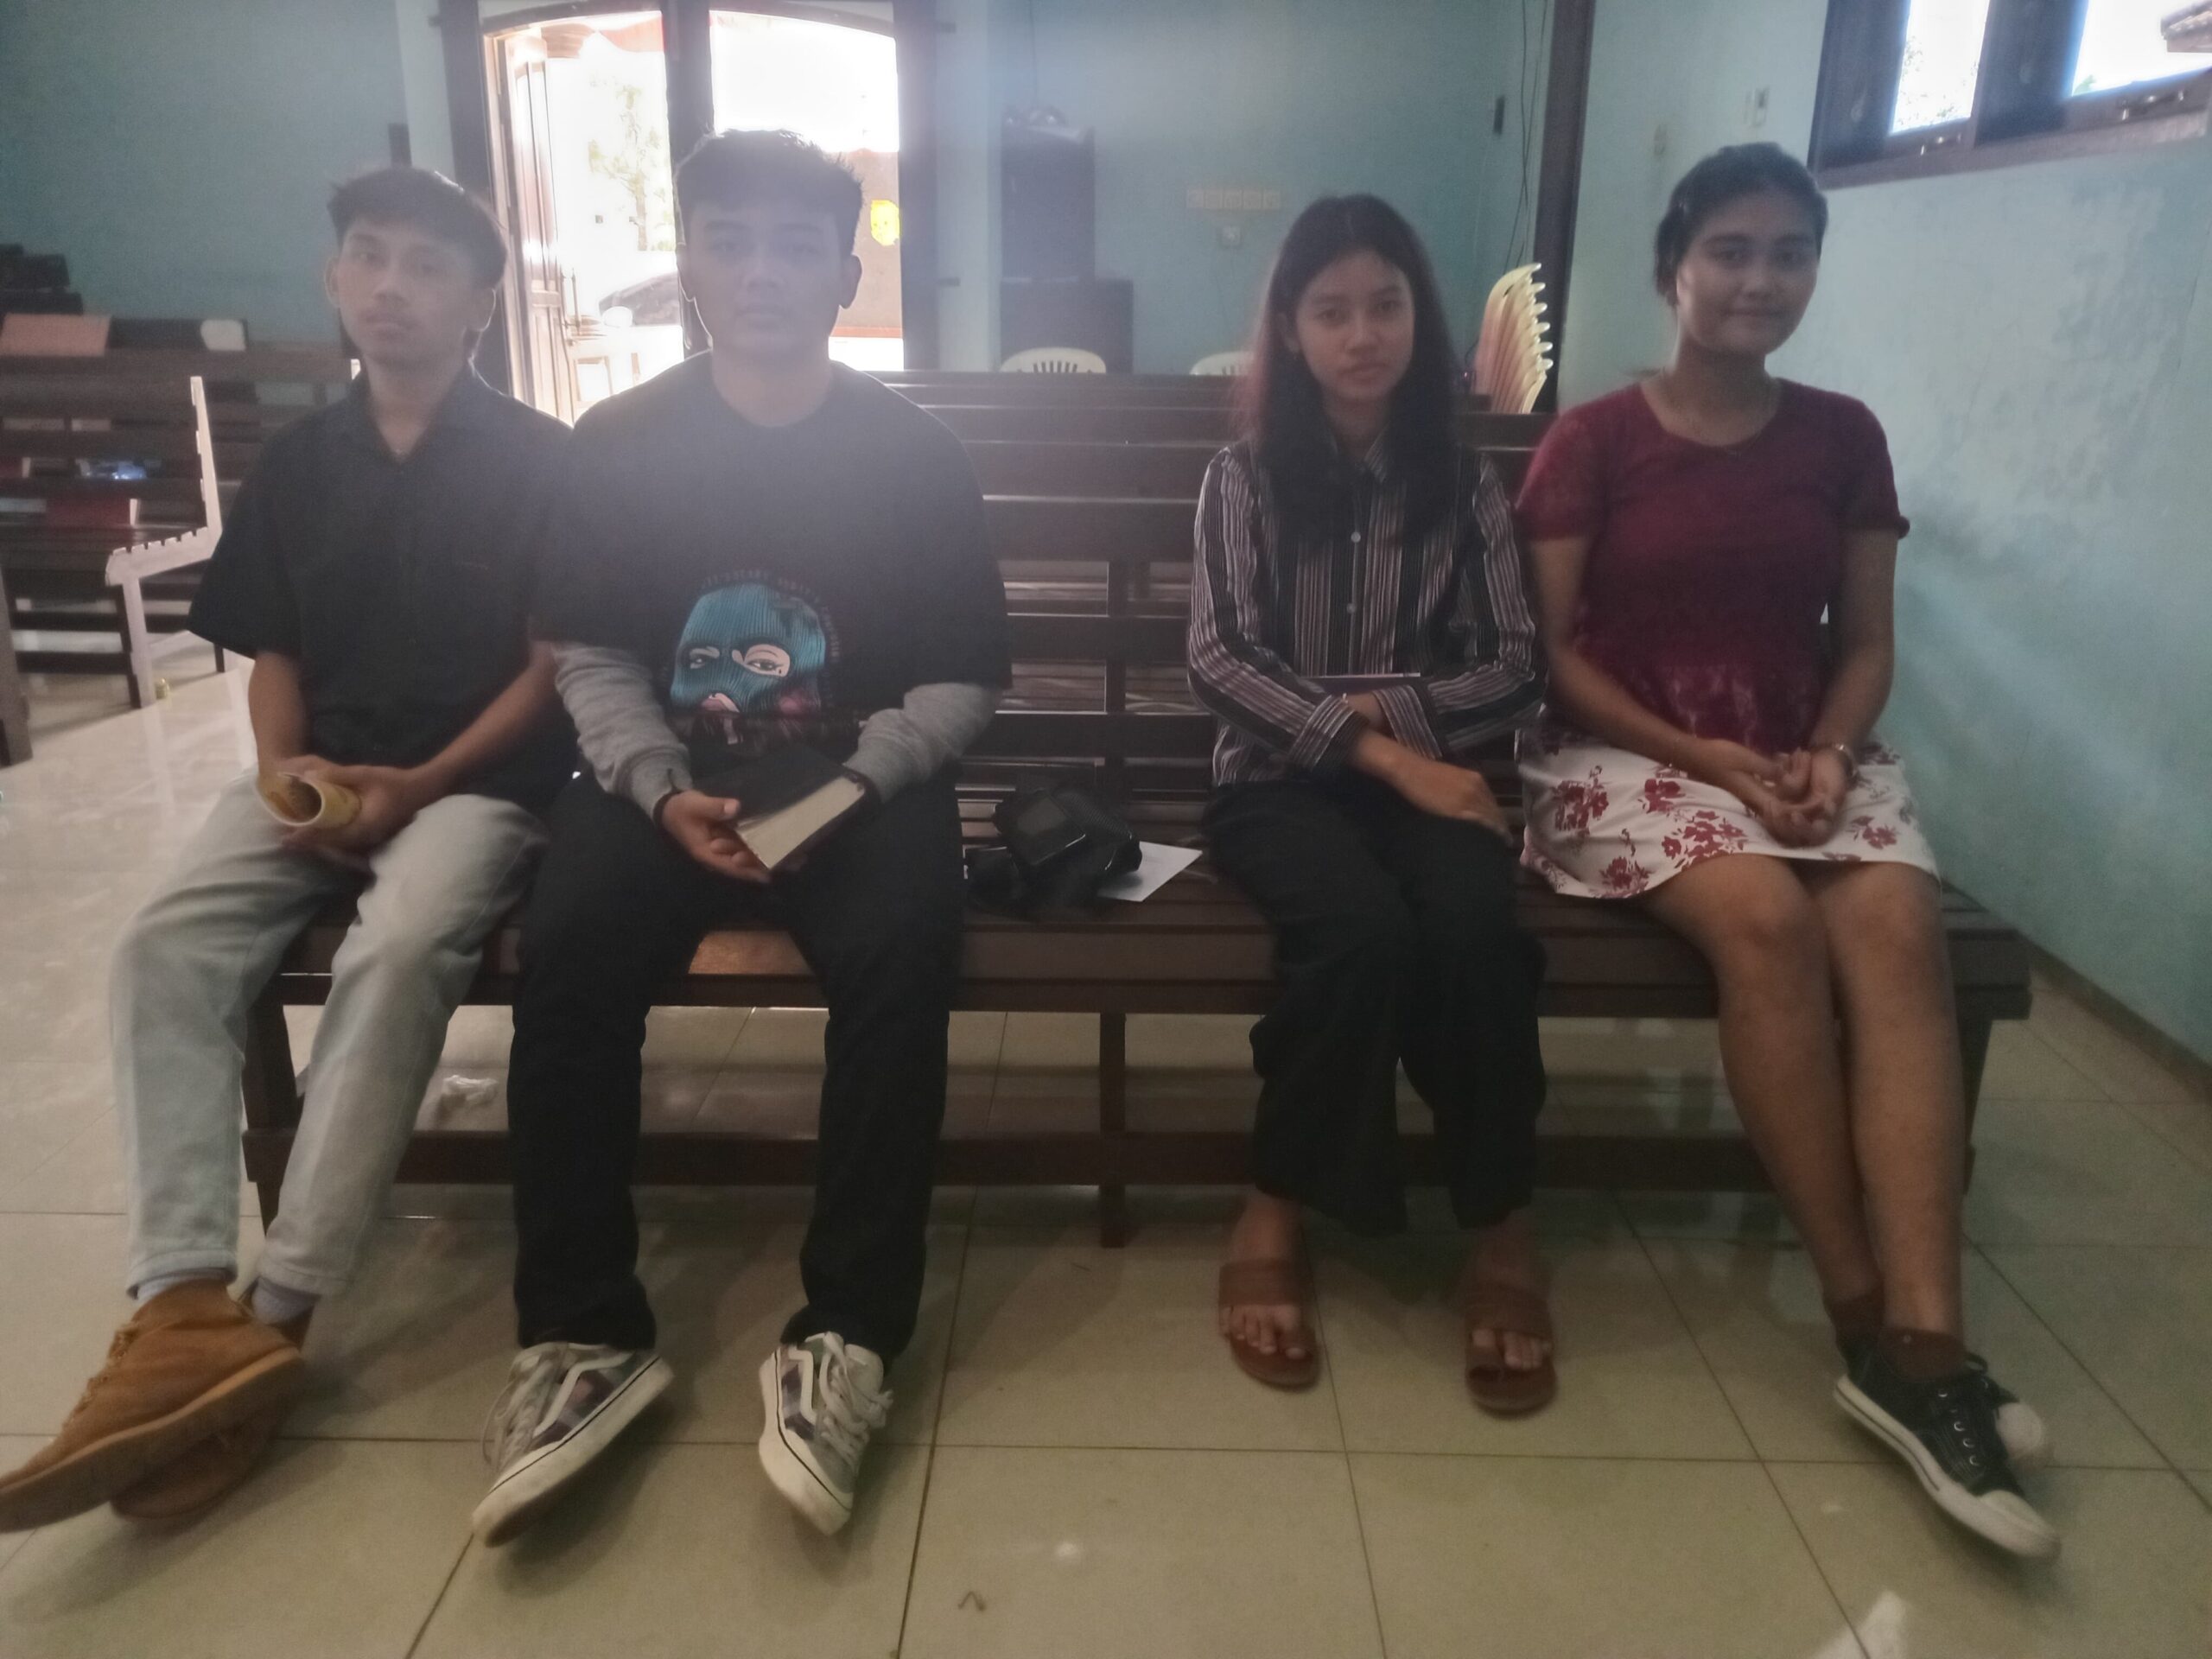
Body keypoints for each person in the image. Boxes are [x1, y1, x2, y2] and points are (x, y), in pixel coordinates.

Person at [0, 168, 573, 1532]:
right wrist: (282, 771)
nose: (390, 286)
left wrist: (419, 783)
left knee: (400, 948)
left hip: (476, 788)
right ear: (334, 279)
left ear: (481, 304)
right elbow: (275, 653)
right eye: (368, 256)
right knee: (165, 945)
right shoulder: (302, 466)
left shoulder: (542, 462)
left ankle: (282, 1309)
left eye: (426, 265)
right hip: (317, 778)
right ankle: (181, 1297)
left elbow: (554, 666)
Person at [1516, 143, 2056, 1558]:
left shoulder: (1842, 437)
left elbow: (1865, 640)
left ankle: (1932, 1335)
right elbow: (1555, 658)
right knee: (1764, 922)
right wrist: (1712, 761)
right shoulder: (1596, 441)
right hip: (1630, 756)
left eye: (1790, 254)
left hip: (1804, 751)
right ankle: (1866, 1315)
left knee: (1896, 929)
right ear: (1675, 269)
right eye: (1732, 252)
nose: (1761, 280)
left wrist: (1826, 749)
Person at [471, 130, 1009, 1544]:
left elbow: (962, 677)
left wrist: (853, 787)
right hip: (666, 783)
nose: (762, 270)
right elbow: (592, 653)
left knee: (906, 951)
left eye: (794, 244)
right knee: (570, 947)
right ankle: (584, 1334)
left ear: (844, 273)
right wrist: (659, 791)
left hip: (859, 785)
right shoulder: (620, 442)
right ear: (691, 263)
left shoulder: (915, 455)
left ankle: (848, 1333)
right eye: (730, 240)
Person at [1189, 195, 1553, 1411]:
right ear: (1291, 331)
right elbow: (1221, 663)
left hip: (1425, 780)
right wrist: (1385, 747)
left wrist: (1365, 714)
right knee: (1356, 934)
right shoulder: (1241, 476)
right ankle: (1275, 1202)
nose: (1362, 336)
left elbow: (1514, 665)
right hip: (1275, 785)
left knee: (1475, 930)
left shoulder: (1465, 483)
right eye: (1332, 311)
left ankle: (1499, 1220)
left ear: (1419, 319)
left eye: (1385, 306)